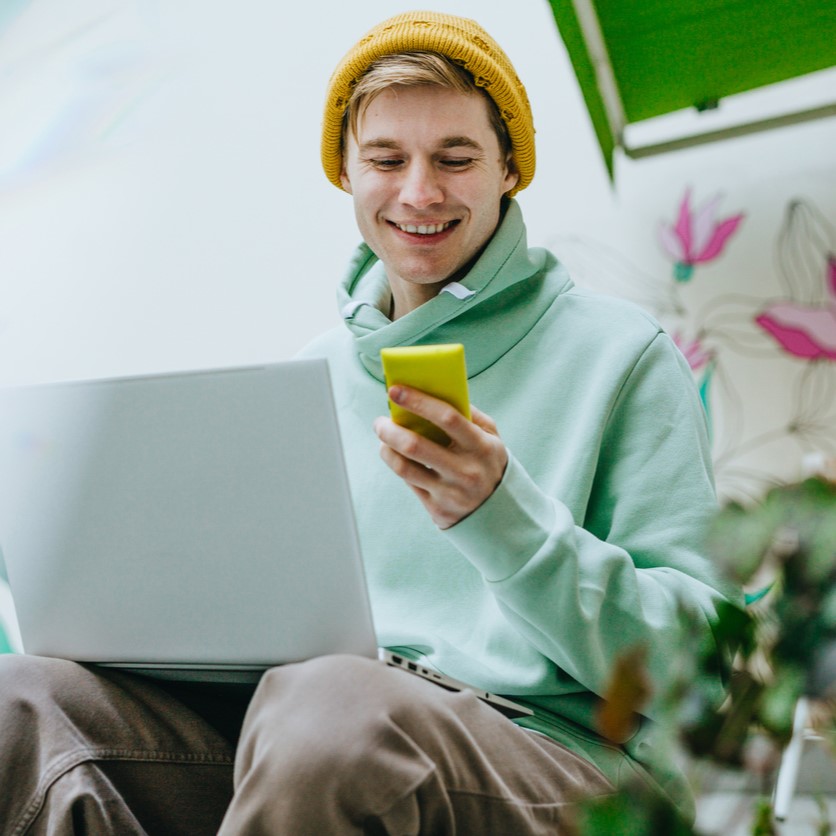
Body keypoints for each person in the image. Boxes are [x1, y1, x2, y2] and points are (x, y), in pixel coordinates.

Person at [0, 10, 740, 834]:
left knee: (332, 704)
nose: (419, 192)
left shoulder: (620, 354)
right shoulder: (311, 372)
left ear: (509, 170)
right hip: (306, 735)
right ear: (346, 174)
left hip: (561, 758)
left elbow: (700, 674)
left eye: (455, 158)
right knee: (25, 699)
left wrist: (503, 518)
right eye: (386, 160)